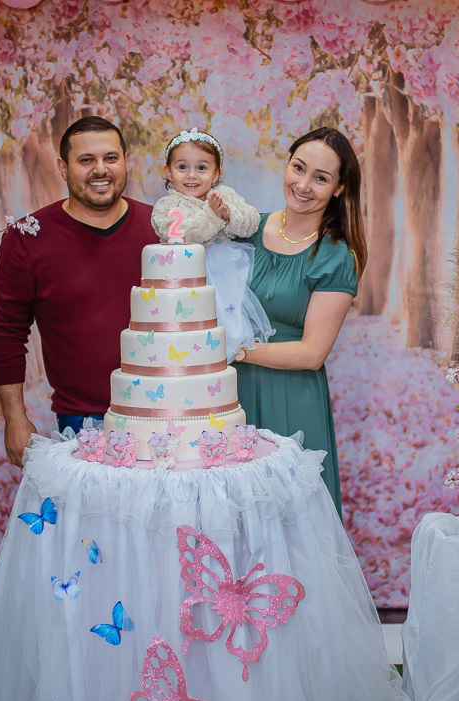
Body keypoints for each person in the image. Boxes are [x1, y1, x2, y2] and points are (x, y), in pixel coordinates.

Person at [0, 116, 158, 466]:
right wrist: (14, 418)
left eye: (111, 158)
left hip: (168, 412)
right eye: (86, 160)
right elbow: (6, 332)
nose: (101, 170)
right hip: (83, 422)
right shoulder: (27, 238)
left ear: (126, 161)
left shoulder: (161, 229)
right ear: (63, 168)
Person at [234, 127, 366, 515]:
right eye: (298, 168)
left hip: (289, 397)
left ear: (338, 189)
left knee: (289, 518)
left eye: (321, 178)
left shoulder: (336, 256)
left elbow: (312, 353)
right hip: (230, 395)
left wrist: (231, 350)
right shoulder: (244, 232)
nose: (303, 185)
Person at [150, 127, 273, 362]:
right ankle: (189, 353)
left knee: (225, 316)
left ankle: (227, 348)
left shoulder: (223, 194)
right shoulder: (167, 205)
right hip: (185, 274)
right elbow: (179, 233)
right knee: (187, 318)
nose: (192, 175)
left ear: (216, 174)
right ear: (168, 172)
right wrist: (213, 216)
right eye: (182, 167)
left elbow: (252, 222)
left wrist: (228, 214)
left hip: (225, 270)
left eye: (202, 168)